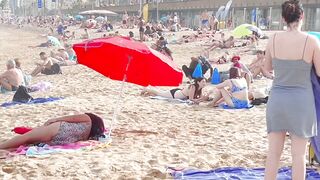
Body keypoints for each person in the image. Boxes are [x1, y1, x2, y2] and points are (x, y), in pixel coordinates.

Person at [264, 1, 320, 179]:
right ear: (302, 16)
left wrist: (279, 77)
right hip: (301, 102)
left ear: (283, 19)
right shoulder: (311, 41)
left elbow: (267, 68)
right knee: (299, 156)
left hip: (278, 99)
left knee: (273, 154)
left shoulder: (273, 39)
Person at [0, 113, 105, 154]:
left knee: (26, 137)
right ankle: (4, 150)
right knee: (27, 144)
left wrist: (54, 119)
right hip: (60, 140)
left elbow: (71, 118)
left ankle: (1, 146)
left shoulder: (87, 118)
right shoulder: (87, 135)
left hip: (58, 129)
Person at [141, 77, 207, 103]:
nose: (204, 83)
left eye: (205, 82)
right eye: (203, 82)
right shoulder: (193, 87)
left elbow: (200, 98)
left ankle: (149, 92)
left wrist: (203, 98)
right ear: (198, 82)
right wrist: (200, 100)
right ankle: (147, 89)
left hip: (180, 92)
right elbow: (191, 99)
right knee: (160, 93)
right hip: (175, 95)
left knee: (161, 93)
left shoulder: (200, 88)